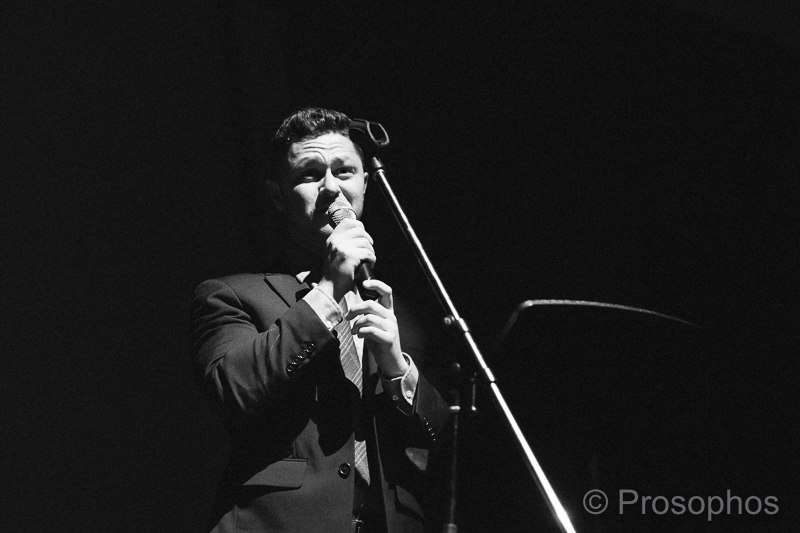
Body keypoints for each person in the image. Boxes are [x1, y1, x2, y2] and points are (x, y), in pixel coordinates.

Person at [190, 107, 450, 533]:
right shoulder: (231, 294)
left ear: (365, 182)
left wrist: (397, 370)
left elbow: (444, 442)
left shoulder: (398, 311)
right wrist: (328, 291)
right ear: (278, 196)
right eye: (310, 174)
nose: (332, 187)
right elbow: (235, 391)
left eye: (345, 171)